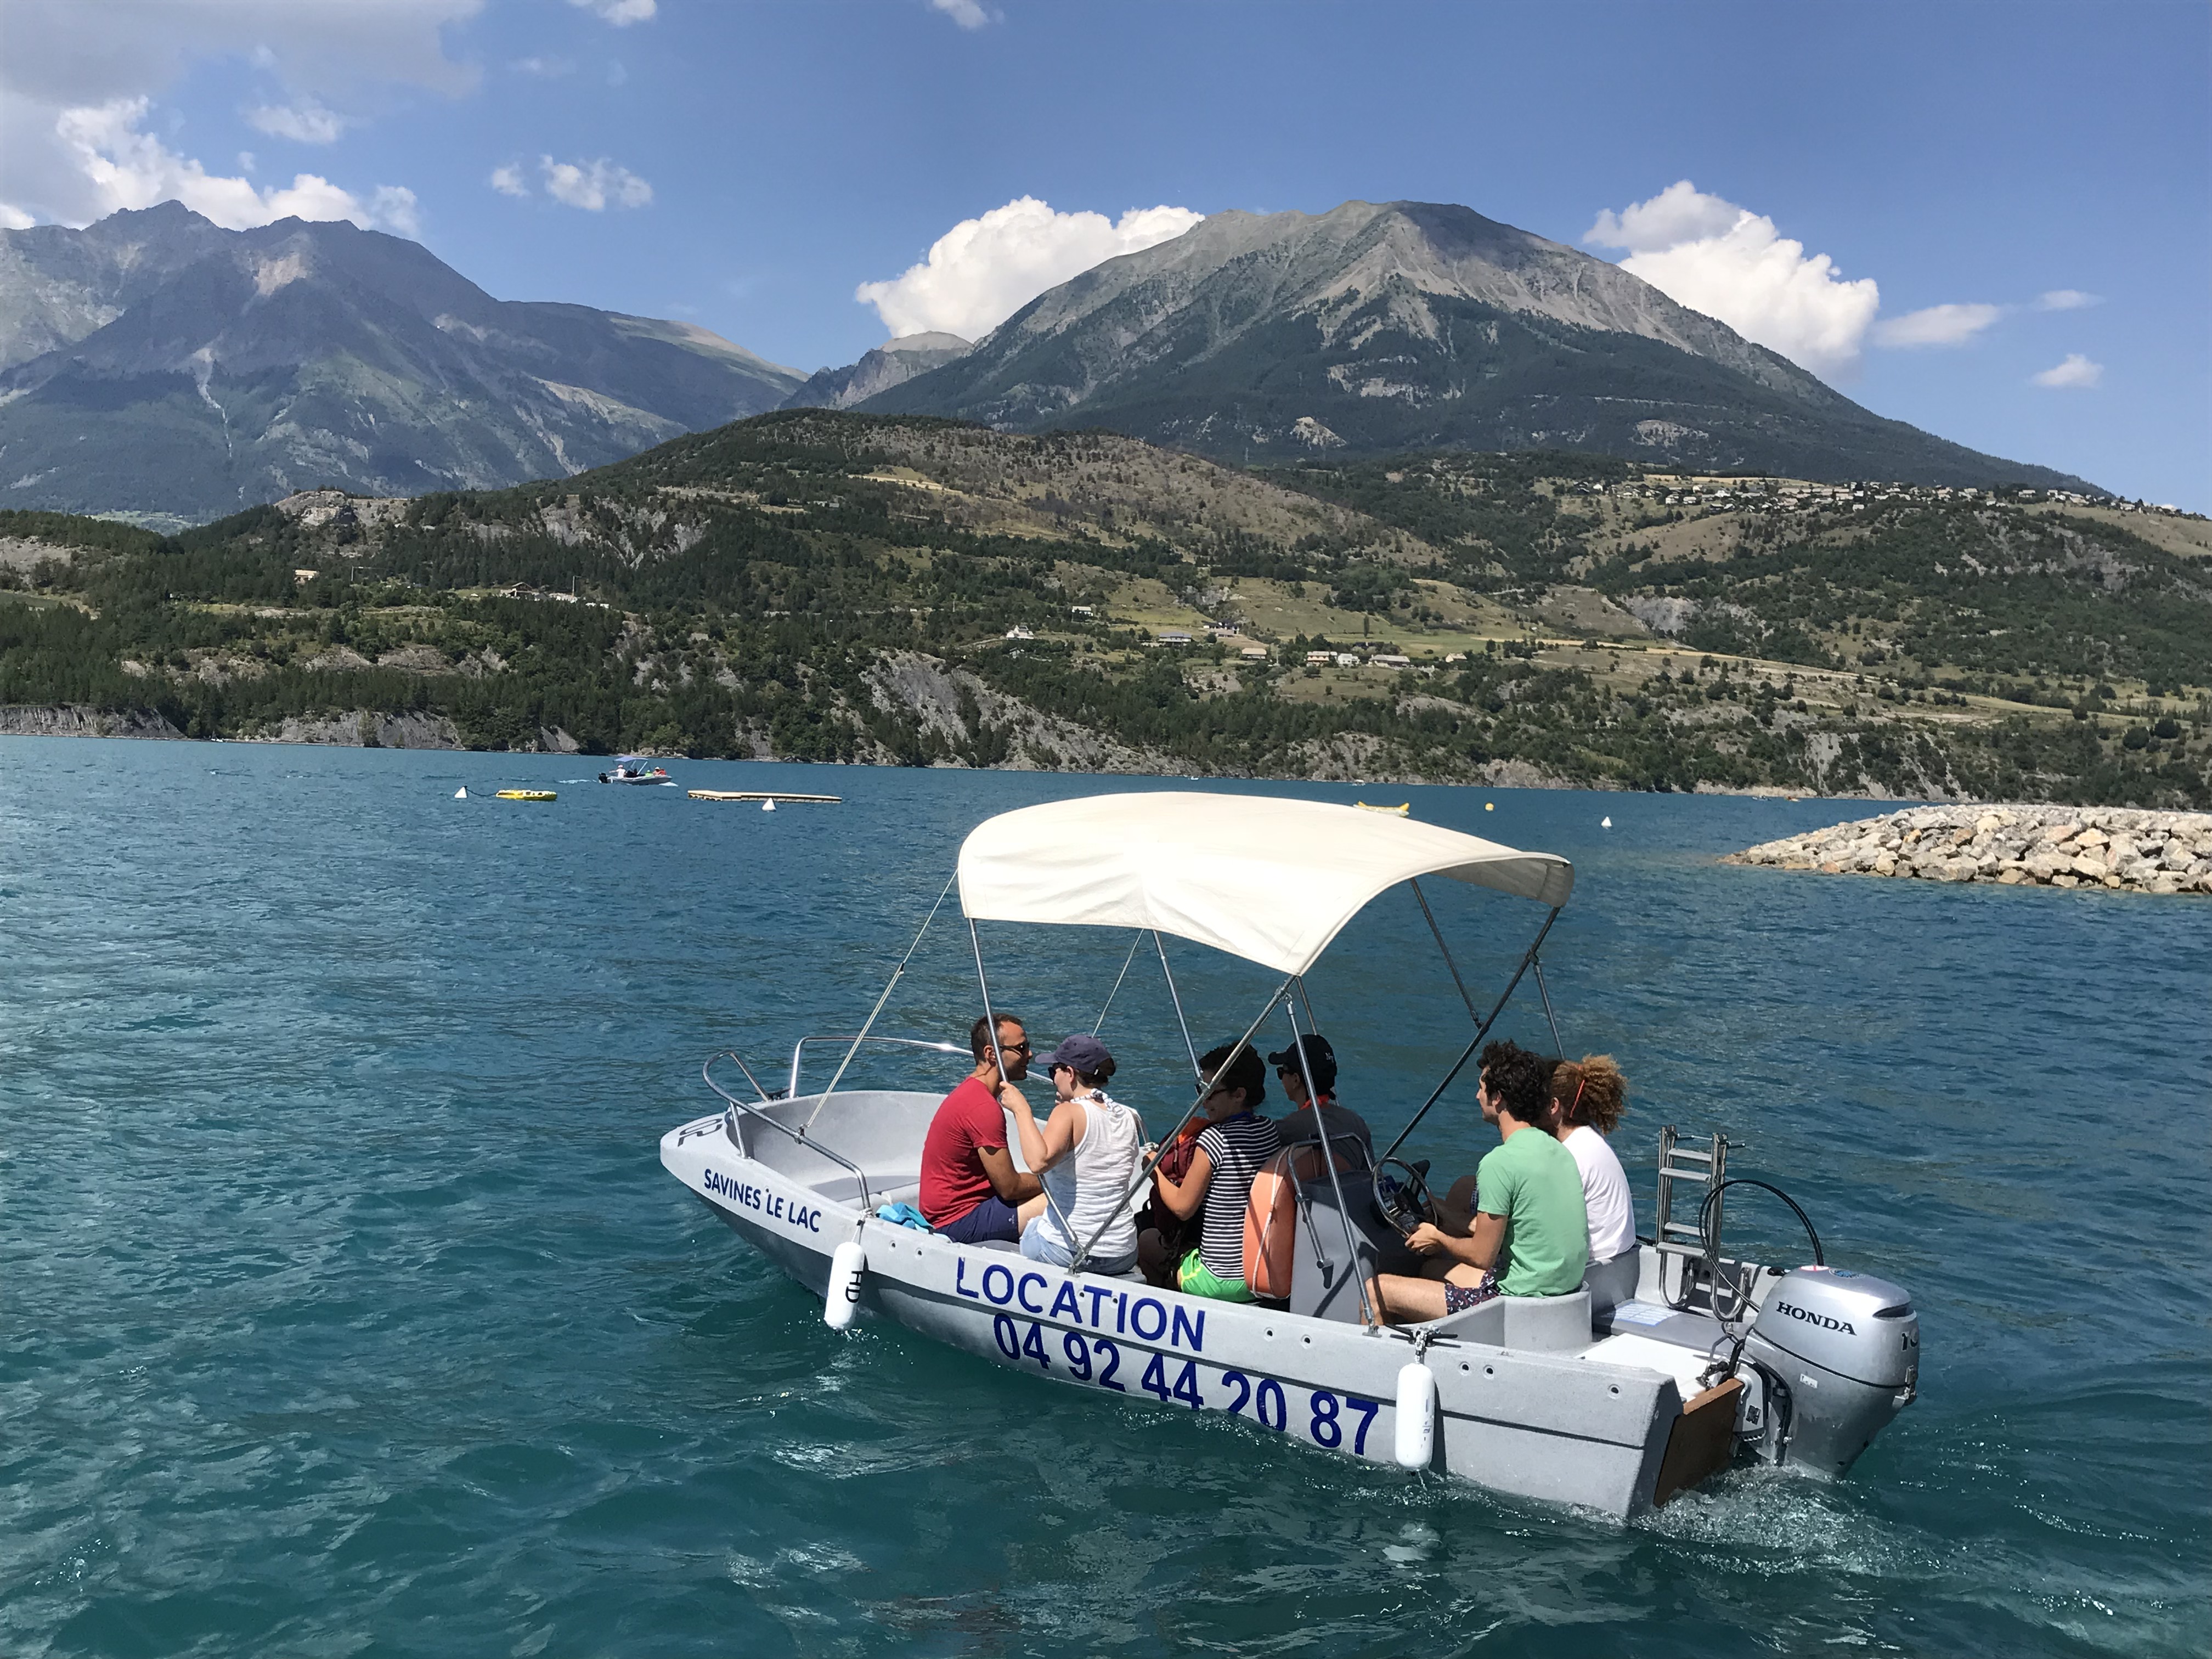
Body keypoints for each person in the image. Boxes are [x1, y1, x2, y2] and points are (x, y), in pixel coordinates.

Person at [1371, 1040, 1588, 1323]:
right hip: (1561, 1296)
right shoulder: (1559, 1150)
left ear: (1498, 1098)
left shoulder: (1499, 1162)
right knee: (1431, 1270)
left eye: (1481, 1088)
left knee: (1376, 1291)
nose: (1476, 1096)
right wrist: (1442, 1210)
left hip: (1516, 1303)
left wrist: (1439, 1238)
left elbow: (1481, 1257)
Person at [1138, 1042, 1280, 1300]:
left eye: (1210, 1092)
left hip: (1221, 1278)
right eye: (1200, 1089)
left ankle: (1171, 1307)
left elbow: (1183, 1208)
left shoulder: (1215, 1139)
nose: (1203, 1100)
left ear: (1239, 1094)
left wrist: (1153, 1168)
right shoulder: (1269, 1130)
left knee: (1147, 1240)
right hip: (1258, 1271)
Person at [1007, 1034, 1146, 1274]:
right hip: (1123, 1253)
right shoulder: (1130, 1115)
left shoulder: (1068, 1113)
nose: (1053, 1079)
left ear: (1069, 1074)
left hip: (1072, 1252)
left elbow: (1038, 1162)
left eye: (1054, 1071)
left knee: (1032, 1229)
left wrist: (1021, 1109)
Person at [919, 1012, 1043, 1244]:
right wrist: (1054, 1181)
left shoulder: (972, 1093)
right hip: (955, 1222)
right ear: (992, 1054)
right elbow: (1010, 1187)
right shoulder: (983, 1107)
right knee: (1069, 1197)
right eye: (1022, 1047)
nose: (1030, 1054)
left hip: (955, 1210)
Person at [1549, 1054, 1637, 1265]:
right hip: (1619, 1262)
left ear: (1553, 1106)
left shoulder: (1568, 1156)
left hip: (1593, 1270)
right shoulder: (1590, 1139)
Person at [1267, 1033, 1373, 1157]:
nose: (1281, 1078)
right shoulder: (1356, 1123)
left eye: (1281, 1072)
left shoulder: (1285, 1131)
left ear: (1296, 1080)